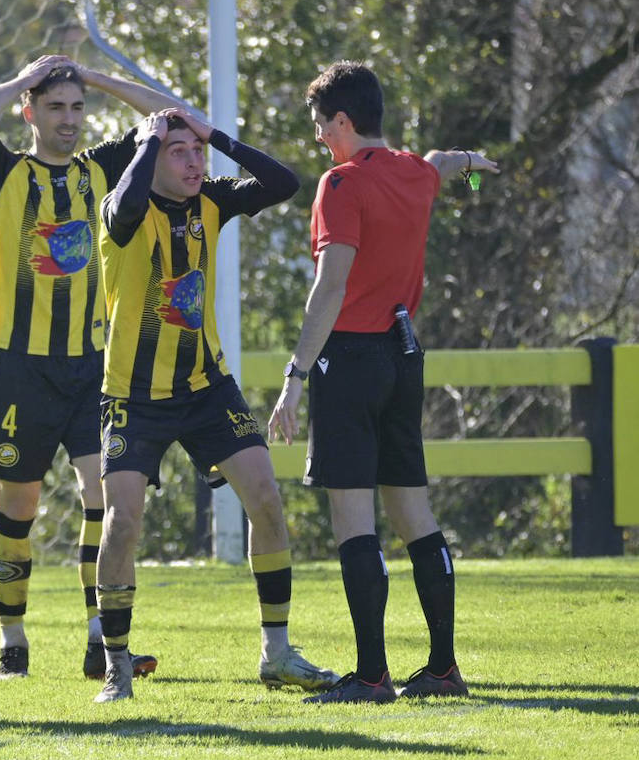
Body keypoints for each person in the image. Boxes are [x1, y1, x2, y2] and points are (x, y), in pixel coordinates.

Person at [91, 108, 340, 702]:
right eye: (179, 152)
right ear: (150, 158)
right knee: (122, 523)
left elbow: (283, 183)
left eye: (196, 152)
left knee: (267, 500)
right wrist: (148, 142)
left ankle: (276, 652)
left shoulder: (213, 202)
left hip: (207, 388)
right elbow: (122, 208)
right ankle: (117, 666)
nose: (194, 162)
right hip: (134, 396)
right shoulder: (121, 211)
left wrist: (215, 134)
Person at [268, 61, 497, 703]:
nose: (319, 139)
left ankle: (371, 676)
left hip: (351, 357)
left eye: (321, 127)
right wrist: (476, 161)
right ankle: (444, 669)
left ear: (342, 121)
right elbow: (445, 162)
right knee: (412, 509)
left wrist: (295, 375)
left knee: (353, 515)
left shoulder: (341, 184)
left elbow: (330, 285)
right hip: (404, 357)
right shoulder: (414, 172)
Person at [0, 54, 181, 681]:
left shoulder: (99, 170)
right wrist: (25, 77)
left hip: (91, 366)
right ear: (29, 110)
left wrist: (98, 79)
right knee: (18, 508)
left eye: (77, 108)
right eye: (55, 107)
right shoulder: (5, 174)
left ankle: (97, 640)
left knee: (105, 496)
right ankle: (13, 640)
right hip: (21, 366)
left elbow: (170, 117)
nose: (69, 120)